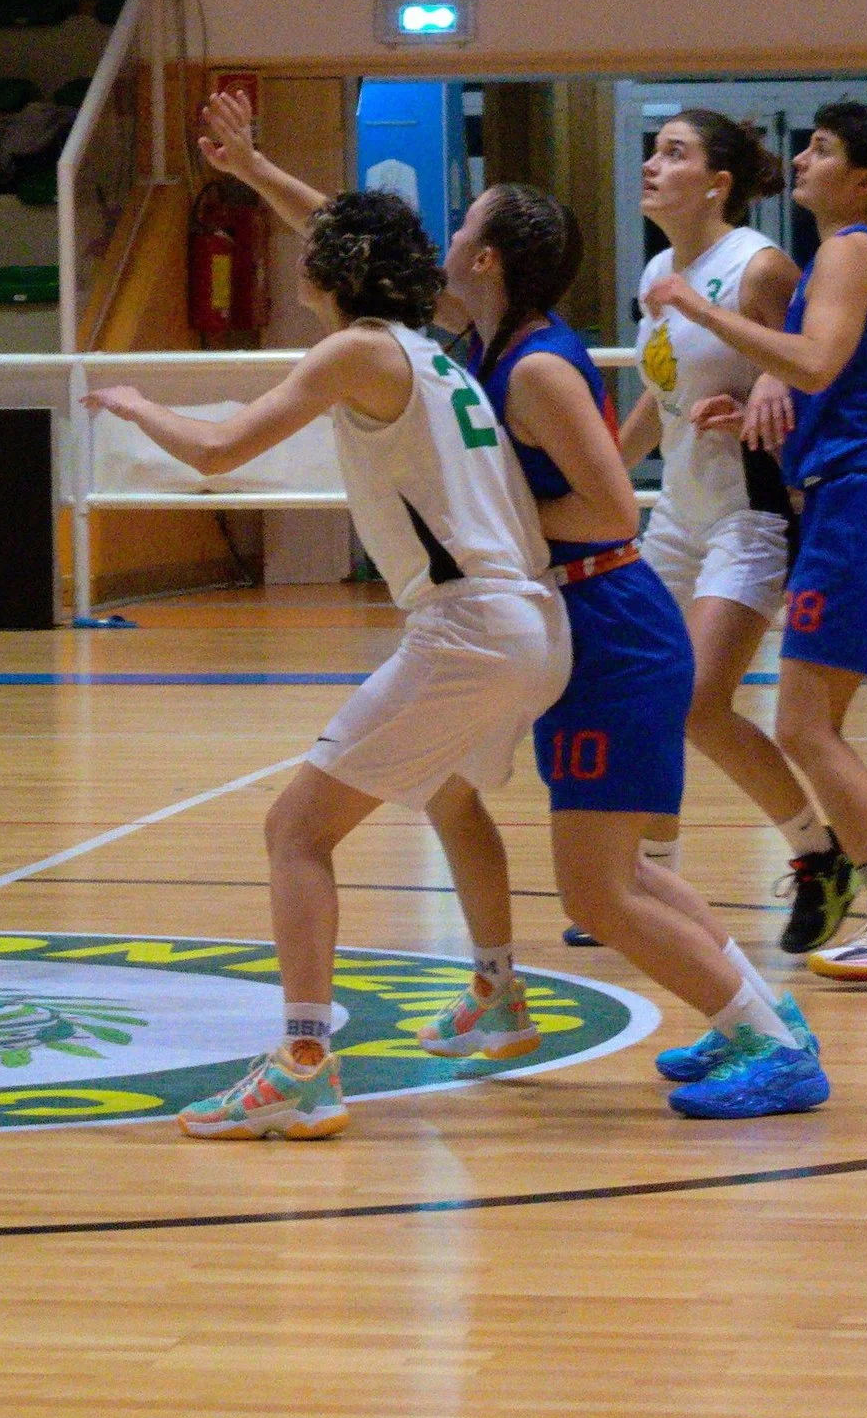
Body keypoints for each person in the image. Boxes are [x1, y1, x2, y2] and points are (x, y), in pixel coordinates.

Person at [86, 183, 569, 1141]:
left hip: (469, 626)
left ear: (326, 272)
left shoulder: (356, 349)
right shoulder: (436, 347)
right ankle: (499, 994)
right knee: (450, 795)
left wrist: (139, 406)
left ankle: (304, 1063)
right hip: (533, 622)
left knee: (295, 831)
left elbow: (221, 449)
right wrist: (257, 165)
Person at [426, 180, 825, 1120]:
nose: (445, 239)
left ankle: (775, 1052)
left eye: (462, 226)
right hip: (587, 627)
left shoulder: (534, 369)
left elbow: (607, 509)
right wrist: (254, 174)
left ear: (487, 259)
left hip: (612, 631)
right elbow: (358, 256)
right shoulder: (487, 335)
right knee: (628, 875)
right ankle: (762, 1019)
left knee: (598, 894)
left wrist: (477, 526)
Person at [657, 101, 867, 988]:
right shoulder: (854, 258)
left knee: (804, 723)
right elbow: (834, 376)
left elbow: (814, 358)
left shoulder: (847, 247)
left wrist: (698, 308)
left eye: (824, 149)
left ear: (863, 181)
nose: (802, 158)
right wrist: (763, 410)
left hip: (865, 505)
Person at [620, 110, 849, 952]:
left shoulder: (759, 267)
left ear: (717, 183)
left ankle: (817, 853)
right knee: (643, 695)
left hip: (752, 516)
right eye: (653, 149)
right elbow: (663, 395)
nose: (652, 164)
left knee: (696, 704)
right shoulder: (658, 267)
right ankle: (650, 875)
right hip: (677, 514)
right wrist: (602, 467)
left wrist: (765, 396)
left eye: (674, 153)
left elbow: (809, 377)